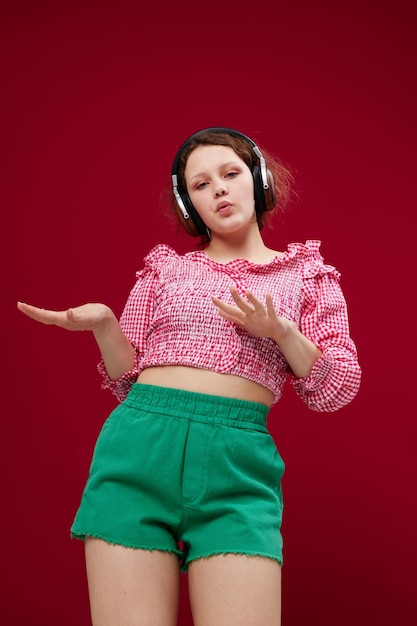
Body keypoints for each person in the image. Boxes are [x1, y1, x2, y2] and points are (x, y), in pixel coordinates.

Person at [17, 127, 361, 626]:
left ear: (258, 180)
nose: (218, 189)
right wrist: (105, 326)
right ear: (188, 203)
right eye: (200, 184)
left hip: (236, 466)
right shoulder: (164, 271)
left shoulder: (307, 276)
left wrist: (283, 332)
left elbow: (338, 389)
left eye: (230, 173)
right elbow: (126, 381)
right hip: (138, 450)